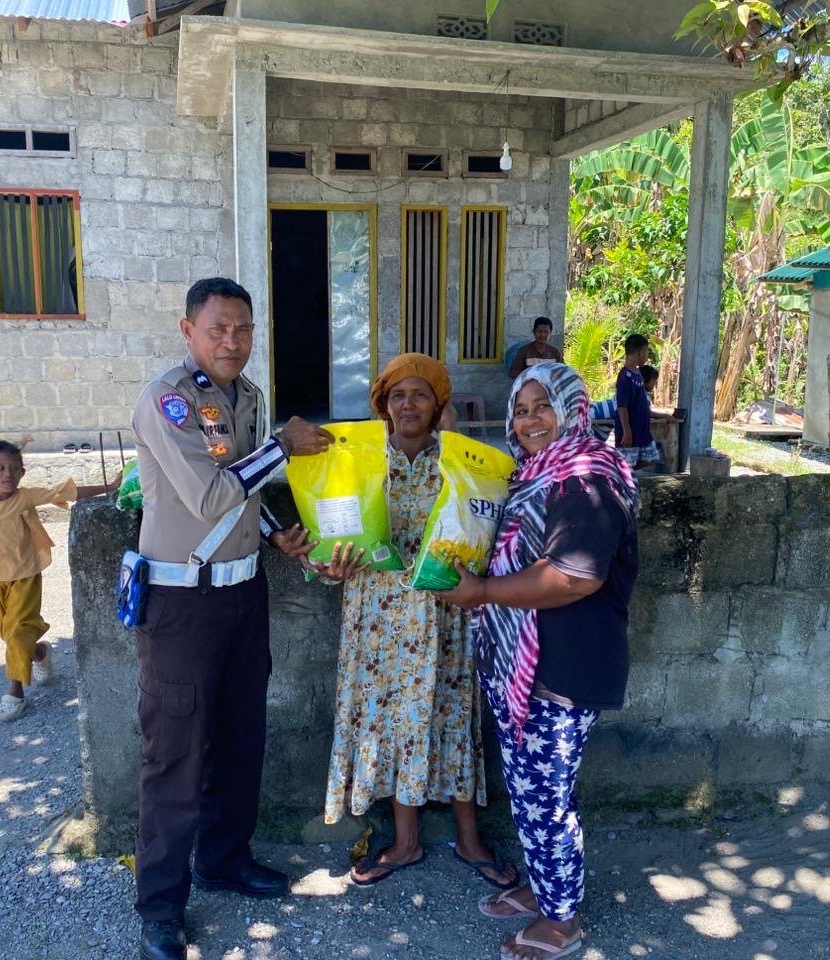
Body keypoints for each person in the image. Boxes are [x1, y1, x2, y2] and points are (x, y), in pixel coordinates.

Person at [129, 277, 333, 960]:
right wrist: (283, 445)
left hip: (245, 594)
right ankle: (161, 906)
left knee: (241, 736)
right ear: (188, 330)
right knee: (175, 755)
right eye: (217, 328)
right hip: (182, 603)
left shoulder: (246, 396)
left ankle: (223, 859)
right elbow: (211, 493)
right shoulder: (169, 401)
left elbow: (248, 495)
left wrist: (277, 535)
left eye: (243, 328)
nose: (232, 341)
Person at [437, 362, 640, 960]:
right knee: (530, 792)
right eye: (521, 410)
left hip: (565, 666)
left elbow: (575, 575)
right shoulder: (534, 475)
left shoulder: (586, 476)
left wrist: (481, 592)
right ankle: (547, 889)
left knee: (546, 798)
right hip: (525, 664)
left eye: (542, 407)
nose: (529, 421)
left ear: (572, 408)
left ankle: (562, 922)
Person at [315, 353, 517, 891]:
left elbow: (483, 532)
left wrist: (452, 445)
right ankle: (405, 843)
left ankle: (470, 840)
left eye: (420, 394)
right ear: (383, 404)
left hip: (444, 615)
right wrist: (330, 566)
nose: (408, 404)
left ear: (438, 404)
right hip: (378, 621)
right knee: (394, 723)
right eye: (397, 395)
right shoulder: (359, 463)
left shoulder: (461, 465)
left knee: (453, 715)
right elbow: (330, 538)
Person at [0, 431, 117, 721]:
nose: (7, 474)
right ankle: (39, 653)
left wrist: (110, 486)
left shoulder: (26, 498)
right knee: (7, 633)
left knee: (17, 631)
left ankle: (15, 694)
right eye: (0, 468)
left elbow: (64, 493)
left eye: (14, 468)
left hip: (25, 575)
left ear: (22, 472)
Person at [616, 333, 659, 470]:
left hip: (642, 430)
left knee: (651, 458)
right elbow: (622, 406)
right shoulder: (625, 376)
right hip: (630, 430)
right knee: (626, 465)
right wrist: (626, 431)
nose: (647, 355)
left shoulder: (638, 373)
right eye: (646, 351)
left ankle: (630, 475)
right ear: (640, 352)